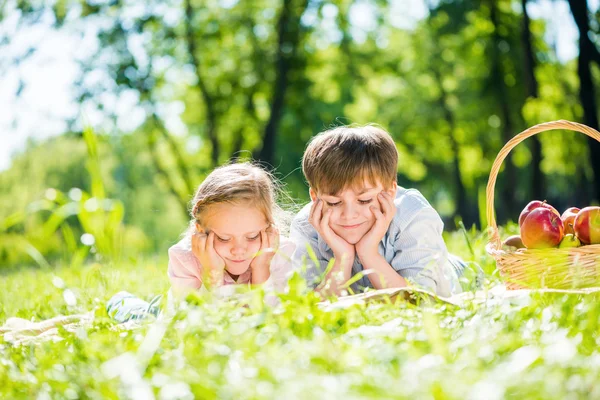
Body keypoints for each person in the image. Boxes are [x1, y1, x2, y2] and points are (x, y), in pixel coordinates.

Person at [290, 125, 464, 298]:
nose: (349, 215)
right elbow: (312, 307)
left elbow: (418, 301)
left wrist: (369, 254)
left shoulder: (413, 216)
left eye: (364, 200)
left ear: (389, 192)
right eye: (334, 202)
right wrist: (343, 258)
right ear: (315, 197)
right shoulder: (308, 225)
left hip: (453, 274)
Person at [107, 163, 295, 322]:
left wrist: (261, 268)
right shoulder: (185, 258)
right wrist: (211, 273)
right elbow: (195, 321)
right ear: (200, 231)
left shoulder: (278, 252)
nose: (239, 250)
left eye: (252, 236)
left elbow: (272, 317)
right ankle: (121, 301)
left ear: (269, 227)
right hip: (170, 312)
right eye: (223, 238)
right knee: (145, 316)